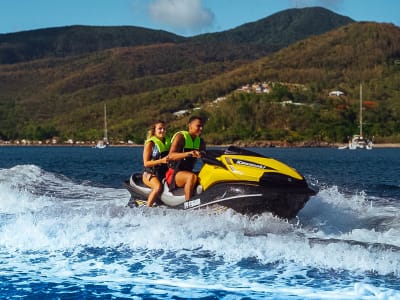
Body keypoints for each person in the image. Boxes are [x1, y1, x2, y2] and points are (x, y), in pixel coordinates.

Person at [166, 116, 206, 200]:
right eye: (198, 126)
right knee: (191, 177)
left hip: (188, 171)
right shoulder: (181, 137)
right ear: (190, 126)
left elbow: (206, 156)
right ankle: (189, 204)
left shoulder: (200, 142)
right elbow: (170, 156)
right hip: (174, 173)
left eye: (202, 126)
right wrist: (188, 154)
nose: (201, 128)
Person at [142, 120, 171, 207]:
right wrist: (161, 161)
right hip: (150, 174)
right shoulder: (150, 144)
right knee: (158, 187)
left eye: (164, 129)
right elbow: (146, 163)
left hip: (164, 173)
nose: (162, 130)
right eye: (160, 128)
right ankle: (147, 208)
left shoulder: (168, 142)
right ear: (154, 130)